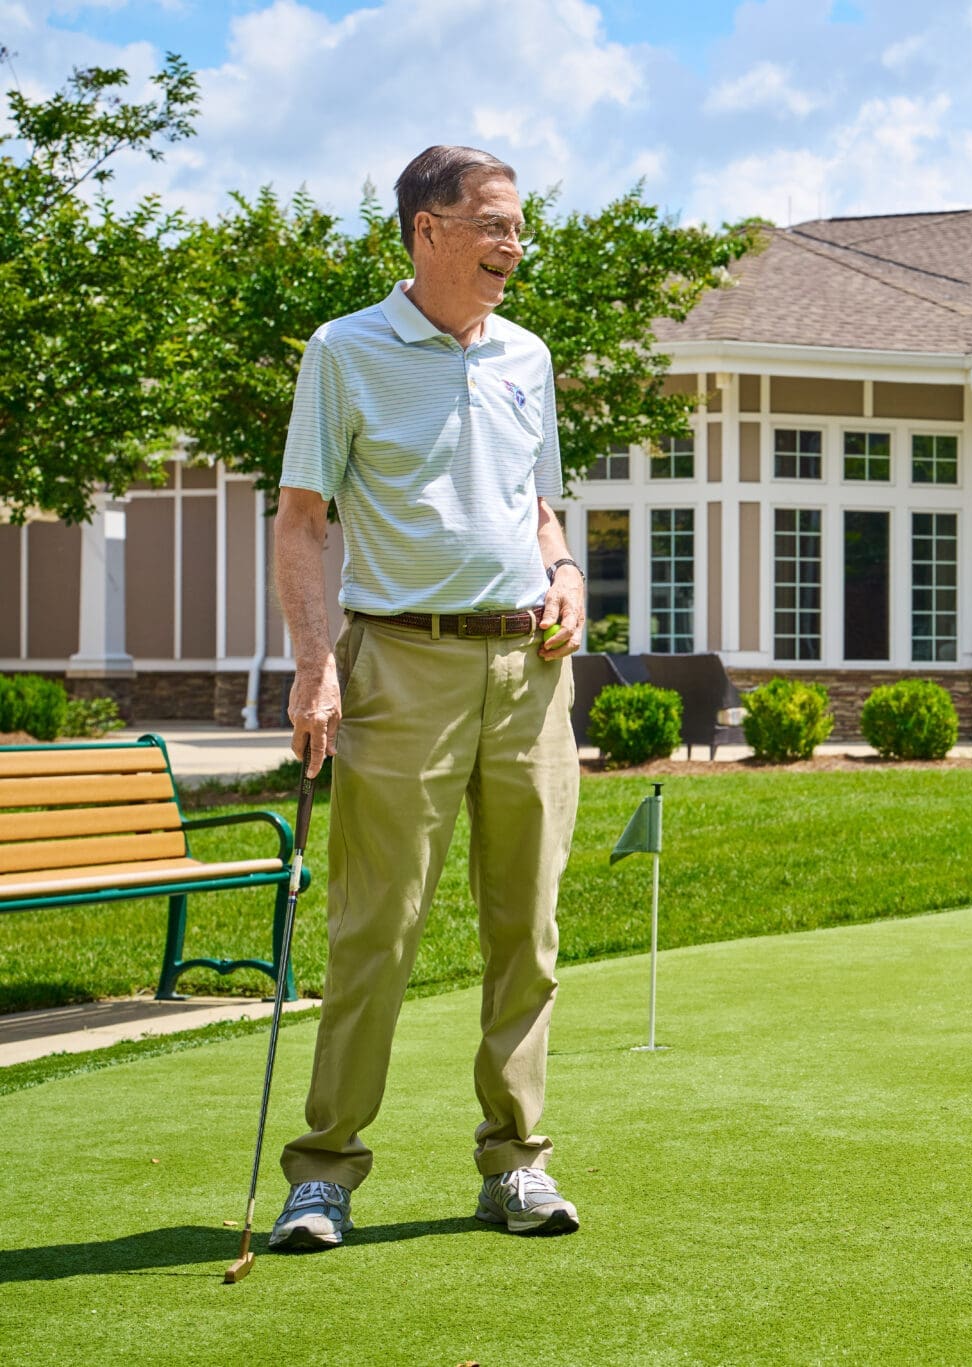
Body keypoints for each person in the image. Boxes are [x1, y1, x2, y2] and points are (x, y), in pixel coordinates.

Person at [267, 145, 587, 1251]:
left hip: (529, 673)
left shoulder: (526, 355)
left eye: (517, 227)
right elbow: (302, 522)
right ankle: (323, 1171)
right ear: (425, 229)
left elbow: (539, 508)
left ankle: (516, 1162)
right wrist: (316, 666)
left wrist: (567, 573)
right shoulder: (344, 351)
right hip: (399, 663)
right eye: (493, 225)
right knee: (376, 928)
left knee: (527, 930)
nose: (514, 247)